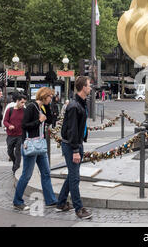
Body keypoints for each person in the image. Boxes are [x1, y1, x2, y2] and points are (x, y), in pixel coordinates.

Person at [13, 87, 58, 211]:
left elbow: (49, 120)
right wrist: (39, 121)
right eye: (50, 97)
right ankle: (17, 201)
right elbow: (24, 126)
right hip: (31, 145)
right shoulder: (31, 107)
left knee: (46, 173)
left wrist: (48, 108)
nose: (51, 99)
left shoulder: (42, 107)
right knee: (26, 175)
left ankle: (50, 200)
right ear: (44, 96)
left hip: (40, 145)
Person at [57, 76, 93, 219]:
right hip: (72, 145)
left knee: (72, 175)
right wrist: (76, 151)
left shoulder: (81, 103)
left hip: (77, 143)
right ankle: (79, 209)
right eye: (89, 85)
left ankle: (61, 203)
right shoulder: (74, 106)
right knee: (75, 177)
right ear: (83, 87)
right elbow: (72, 130)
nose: (90, 87)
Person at [3, 94, 27, 174]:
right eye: (22, 102)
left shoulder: (24, 110)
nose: (23, 104)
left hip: (20, 135)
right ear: (17, 101)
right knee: (10, 152)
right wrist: (9, 126)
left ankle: (16, 168)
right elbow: (5, 121)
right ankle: (14, 162)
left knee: (18, 152)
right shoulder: (10, 110)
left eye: (24, 103)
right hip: (10, 135)